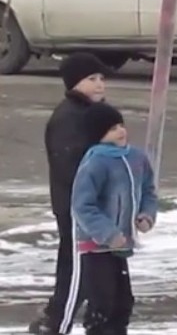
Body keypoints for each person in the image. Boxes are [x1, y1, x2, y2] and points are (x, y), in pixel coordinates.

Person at [29, 53, 110, 335]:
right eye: (92, 79)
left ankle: (95, 322)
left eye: (102, 78)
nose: (100, 84)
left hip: (98, 210)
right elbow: (71, 165)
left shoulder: (95, 113)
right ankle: (54, 322)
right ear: (75, 83)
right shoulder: (69, 118)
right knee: (76, 270)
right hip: (78, 208)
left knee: (98, 271)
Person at [71, 102, 159, 335]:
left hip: (122, 243)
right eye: (111, 129)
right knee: (103, 303)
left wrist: (146, 215)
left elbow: (149, 190)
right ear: (98, 135)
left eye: (121, 125)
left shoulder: (136, 157)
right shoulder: (95, 162)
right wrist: (108, 234)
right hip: (96, 245)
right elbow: (82, 205)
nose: (120, 131)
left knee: (123, 303)